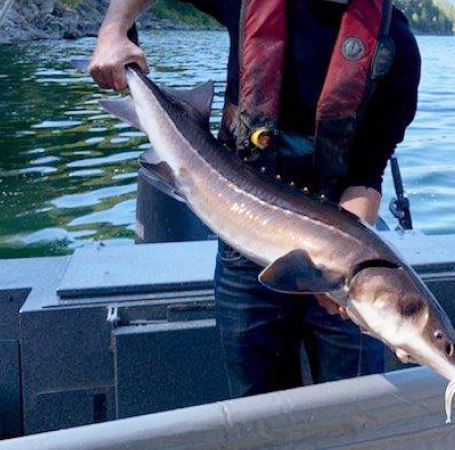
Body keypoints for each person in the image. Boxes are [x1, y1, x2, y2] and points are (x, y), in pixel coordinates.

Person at [89, 0, 420, 398]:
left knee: (355, 407)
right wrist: (113, 31)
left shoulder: (394, 43)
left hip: (337, 262)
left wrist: (341, 271)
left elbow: (367, 177)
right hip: (242, 241)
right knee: (258, 410)